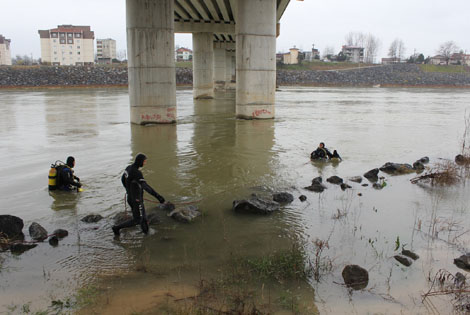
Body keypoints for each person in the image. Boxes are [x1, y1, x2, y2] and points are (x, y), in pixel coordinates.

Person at [112, 153, 166, 236]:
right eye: (144, 161)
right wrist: (159, 197)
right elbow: (146, 187)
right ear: (140, 162)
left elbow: (123, 179)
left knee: (143, 217)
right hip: (136, 200)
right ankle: (117, 228)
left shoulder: (129, 168)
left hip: (131, 197)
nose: (145, 163)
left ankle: (146, 233)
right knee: (137, 220)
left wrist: (127, 190)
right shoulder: (137, 173)